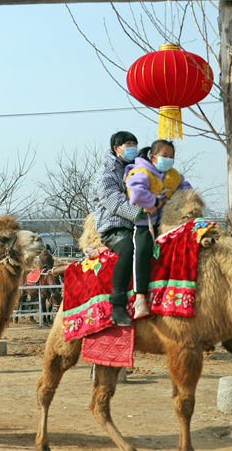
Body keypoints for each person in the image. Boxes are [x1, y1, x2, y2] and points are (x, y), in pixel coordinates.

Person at [124, 140, 192, 319]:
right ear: (153, 157)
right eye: (165, 156)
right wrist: (156, 201)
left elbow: (187, 192)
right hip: (144, 224)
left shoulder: (174, 176)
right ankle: (140, 298)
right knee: (143, 250)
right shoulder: (141, 172)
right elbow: (136, 194)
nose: (168, 160)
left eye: (171, 157)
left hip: (168, 223)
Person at [92, 131, 152, 327]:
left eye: (135, 143)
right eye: (127, 144)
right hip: (114, 226)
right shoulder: (105, 175)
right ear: (116, 148)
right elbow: (113, 202)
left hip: (139, 223)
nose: (132, 147)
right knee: (128, 249)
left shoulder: (136, 168)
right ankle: (117, 304)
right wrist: (140, 211)